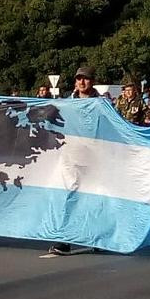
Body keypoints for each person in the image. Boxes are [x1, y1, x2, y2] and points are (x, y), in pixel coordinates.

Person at [49, 67, 99, 255]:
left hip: (95, 157)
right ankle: (64, 239)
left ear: (92, 81)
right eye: (79, 79)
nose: (82, 82)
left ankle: (96, 236)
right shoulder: (66, 104)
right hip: (70, 156)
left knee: (93, 198)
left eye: (85, 79)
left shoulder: (102, 104)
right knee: (68, 196)